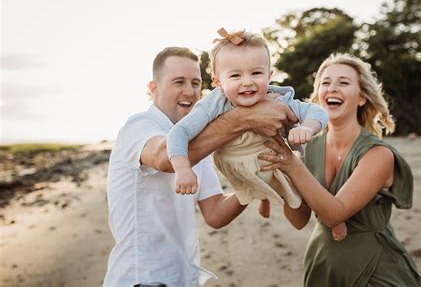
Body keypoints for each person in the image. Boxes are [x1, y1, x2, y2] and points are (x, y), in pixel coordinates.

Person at [103, 46, 297, 287]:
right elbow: (163, 159)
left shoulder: (197, 143)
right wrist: (244, 118)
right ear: (154, 88)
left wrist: (253, 185)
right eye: (178, 82)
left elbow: (215, 213)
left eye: (196, 83)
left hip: (183, 278)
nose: (190, 91)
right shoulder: (138, 126)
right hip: (141, 279)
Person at [259, 53, 421, 286]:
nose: (332, 88)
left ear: (362, 97)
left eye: (343, 82)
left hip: (375, 269)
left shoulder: (378, 154)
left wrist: (292, 165)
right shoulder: (308, 149)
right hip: (323, 265)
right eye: (325, 83)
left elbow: (335, 213)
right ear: (318, 95)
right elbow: (298, 219)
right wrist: (283, 180)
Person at [167, 28, 328, 217]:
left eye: (256, 73)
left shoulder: (278, 99)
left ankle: (329, 215)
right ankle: (264, 196)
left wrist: (307, 127)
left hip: (273, 162)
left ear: (269, 76)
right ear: (218, 82)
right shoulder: (213, 104)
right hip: (237, 169)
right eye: (235, 76)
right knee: (254, 185)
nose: (247, 82)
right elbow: (179, 132)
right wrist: (183, 169)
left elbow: (318, 111)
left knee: (304, 190)